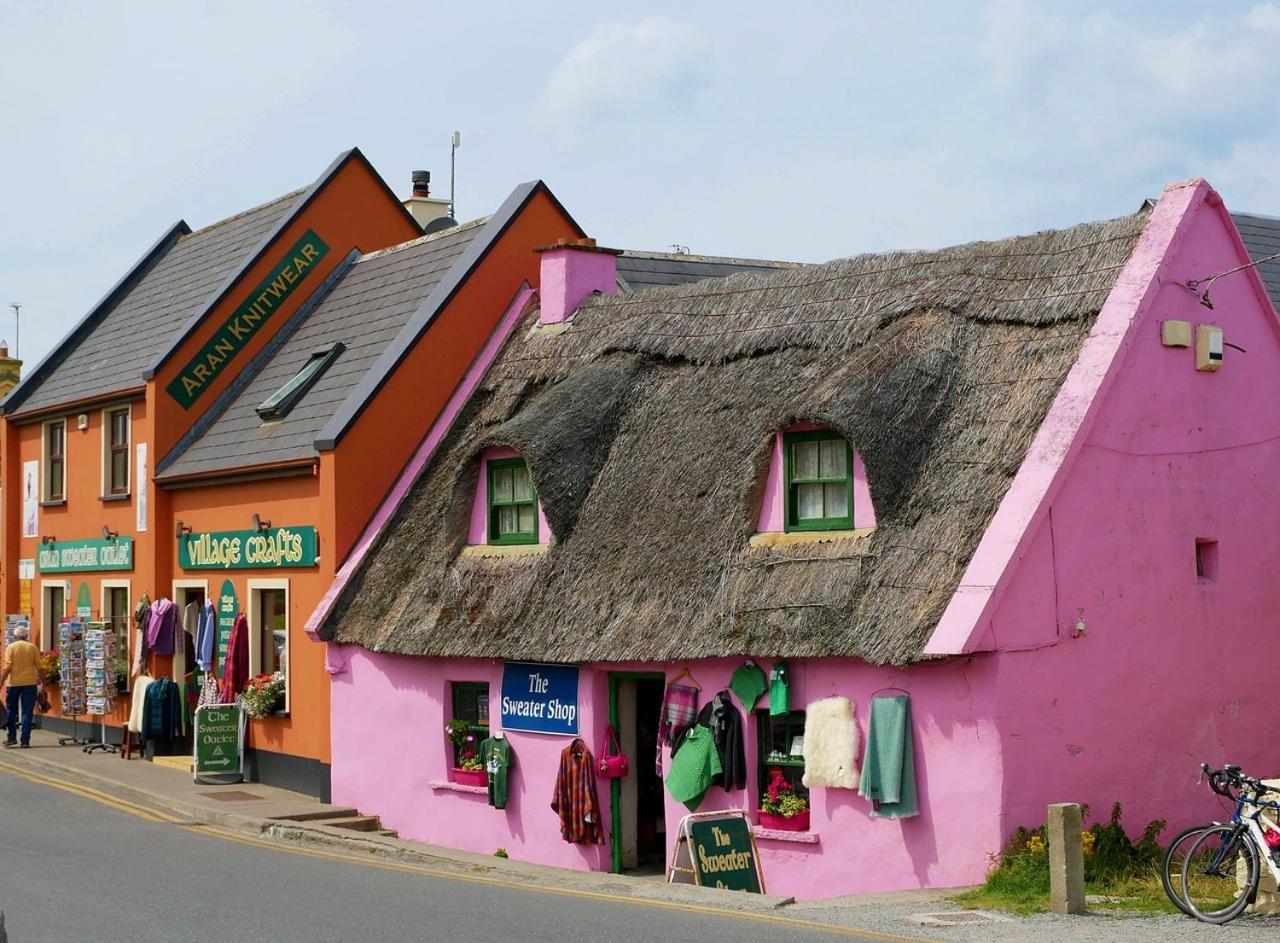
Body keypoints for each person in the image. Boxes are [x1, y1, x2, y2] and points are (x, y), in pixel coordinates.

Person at [1, 626, 44, 747]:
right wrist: (43, 681)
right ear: (26, 637)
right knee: (27, 712)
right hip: (30, 683)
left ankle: (12, 737)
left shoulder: (11, 647)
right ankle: (25, 741)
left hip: (13, 683)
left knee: (11, 711)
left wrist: (1, 682)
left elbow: (7, 667)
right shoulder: (33, 647)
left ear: (15, 637)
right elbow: (40, 667)